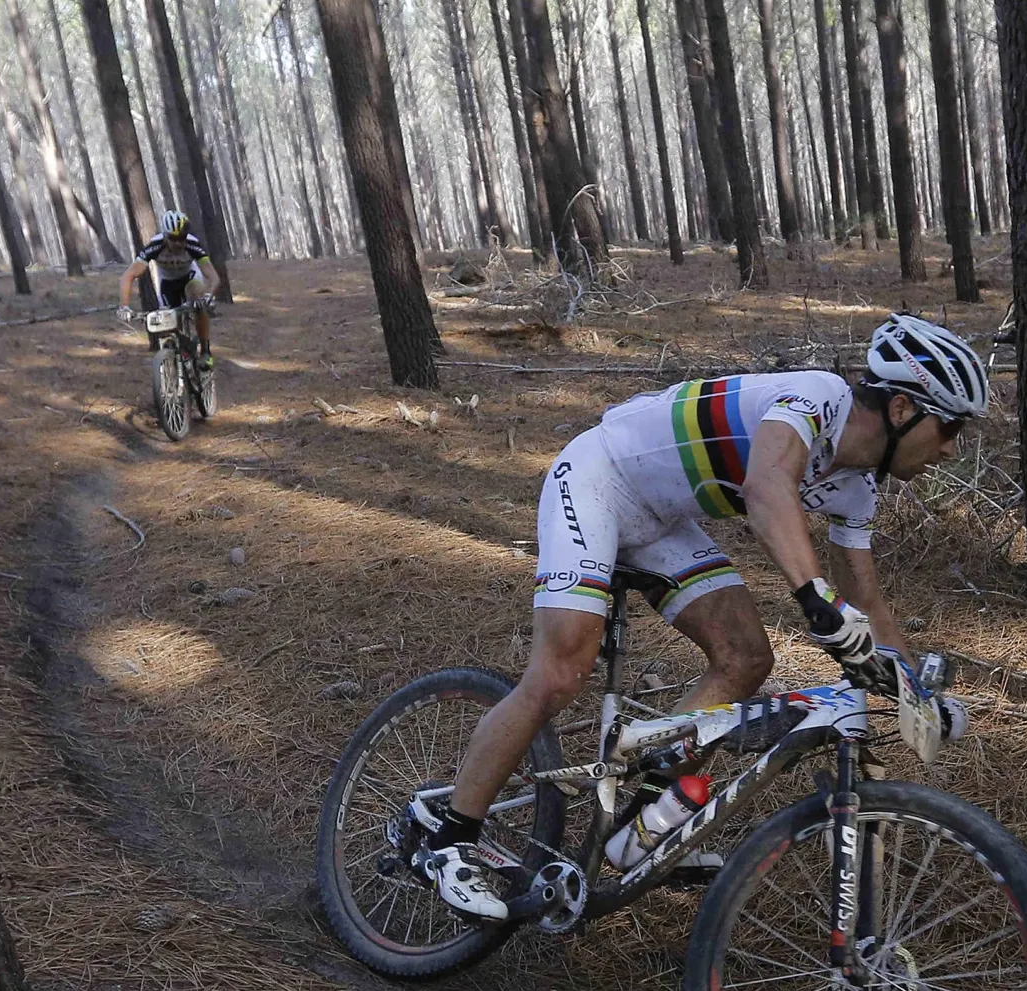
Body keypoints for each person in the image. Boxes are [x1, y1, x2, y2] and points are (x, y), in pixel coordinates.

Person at [405, 314, 990, 922]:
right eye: (949, 427)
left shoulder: (857, 487)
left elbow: (867, 600)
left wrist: (913, 687)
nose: (950, 448)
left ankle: (642, 827)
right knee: (559, 672)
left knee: (745, 658)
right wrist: (816, 599)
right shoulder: (815, 400)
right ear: (901, 409)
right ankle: (447, 837)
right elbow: (768, 486)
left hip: (661, 521)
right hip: (598, 481)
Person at [118, 208, 216, 367]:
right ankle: (175, 356)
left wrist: (208, 296)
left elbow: (213, 277)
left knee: (197, 300)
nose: (179, 243)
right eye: (173, 239)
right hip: (167, 284)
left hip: (190, 278)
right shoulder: (155, 246)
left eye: (182, 238)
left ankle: (205, 351)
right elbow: (128, 275)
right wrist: (124, 306)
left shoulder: (192, 244)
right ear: (165, 236)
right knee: (166, 325)